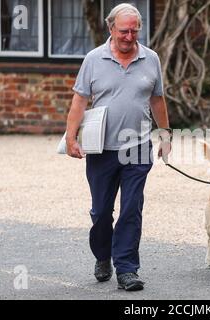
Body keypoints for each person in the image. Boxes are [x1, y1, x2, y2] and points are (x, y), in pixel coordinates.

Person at [65, 3, 171, 291]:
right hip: (101, 150)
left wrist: (165, 135)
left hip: (137, 147)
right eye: (123, 30)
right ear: (110, 29)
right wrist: (71, 137)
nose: (129, 36)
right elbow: (79, 101)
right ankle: (103, 255)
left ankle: (126, 268)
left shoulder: (151, 59)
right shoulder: (93, 59)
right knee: (101, 212)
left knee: (131, 208)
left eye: (134, 30)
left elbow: (158, 99)